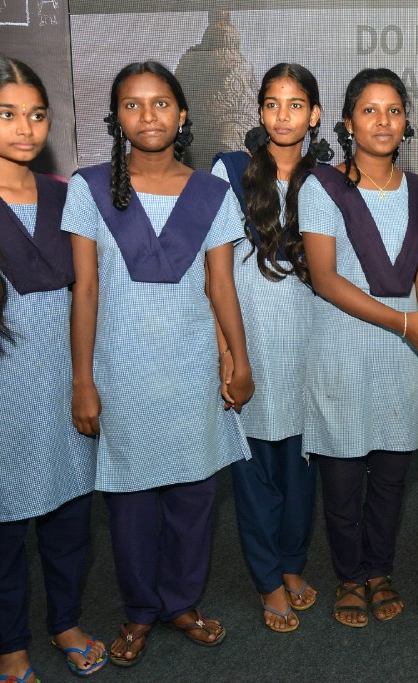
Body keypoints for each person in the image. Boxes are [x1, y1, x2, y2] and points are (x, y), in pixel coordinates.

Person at [63, 61, 253, 667]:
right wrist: (84, 380)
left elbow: (222, 286)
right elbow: (85, 291)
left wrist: (239, 360)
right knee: (131, 501)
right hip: (122, 371)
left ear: (183, 113)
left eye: (161, 103)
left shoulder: (212, 193)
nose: (149, 116)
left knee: (195, 495)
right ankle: (139, 610)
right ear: (115, 117)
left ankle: (181, 602)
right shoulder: (87, 187)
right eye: (133, 105)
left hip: (193, 366)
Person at [0, 55, 104, 681]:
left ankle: (65, 621)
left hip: (65, 387)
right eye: (6, 114)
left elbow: (88, 295)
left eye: (36, 115)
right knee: (1, 534)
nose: (25, 129)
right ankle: (10, 645)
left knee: (69, 524)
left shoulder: (67, 197)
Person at [298, 68, 418, 628]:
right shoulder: (321, 186)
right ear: (347, 122)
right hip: (341, 345)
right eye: (369, 110)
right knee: (341, 475)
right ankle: (349, 576)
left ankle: (379, 570)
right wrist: (405, 324)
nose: (382, 121)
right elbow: (326, 279)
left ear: (406, 122)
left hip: (404, 352)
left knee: (390, 472)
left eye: (393, 110)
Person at [211, 62, 329, 633]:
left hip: (310, 340)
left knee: (301, 464)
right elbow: (215, 274)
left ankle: (292, 564)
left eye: (296, 104)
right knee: (254, 467)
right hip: (249, 336)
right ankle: (266, 579)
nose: (284, 116)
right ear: (260, 112)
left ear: (315, 114)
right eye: (273, 104)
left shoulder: (329, 178)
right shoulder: (230, 171)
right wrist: (229, 354)